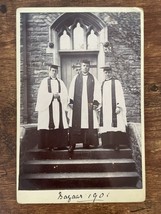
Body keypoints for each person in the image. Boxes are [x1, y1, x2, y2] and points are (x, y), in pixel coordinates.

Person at [68, 59, 101, 155]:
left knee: (87, 123)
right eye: (83, 65)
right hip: (78, 106)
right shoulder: (76, 78)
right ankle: (72, 144)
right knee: (76, 123)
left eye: (87, 66)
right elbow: (71, 90)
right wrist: (71, 102)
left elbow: (97, 92)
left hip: (88, 106)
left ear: (89, 67)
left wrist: (95, 103)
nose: (85, 67)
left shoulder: (93, 78)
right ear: (81, 67)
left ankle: (86, 143)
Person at [35, 64, 69, 150]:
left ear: (57, 72)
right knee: (49, 124)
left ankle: (60, 144)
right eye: (52, 71)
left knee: (59, 123)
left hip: (58, 106)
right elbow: (41, 95)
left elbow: (65, 95)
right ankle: (49, 145)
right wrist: (52, 96)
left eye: (55, 71)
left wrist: (59, 95)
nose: (54, 73)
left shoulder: (60, 82)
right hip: (48, 107)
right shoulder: (44, 82)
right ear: (49, 71)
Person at [100, 62, 128, 151]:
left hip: (114, 109)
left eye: (109, 72)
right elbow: (100, 96)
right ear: (104, 73)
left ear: (111, 72)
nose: (107, 74)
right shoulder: (102, 84)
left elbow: (120, 95)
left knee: (115, 125)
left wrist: (119, 106)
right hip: (105, 109)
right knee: (106, 124)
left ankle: (116, 144)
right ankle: (107, 143)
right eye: (105, 72)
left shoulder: (116, 83)